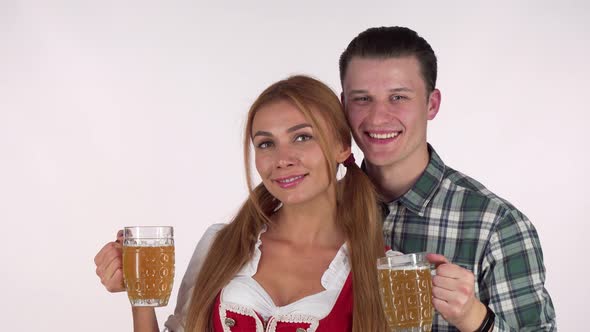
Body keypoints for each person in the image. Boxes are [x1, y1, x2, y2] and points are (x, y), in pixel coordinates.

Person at [94, 75, 388, 331]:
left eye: (302, 137)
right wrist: (140, 298)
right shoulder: (220, 245)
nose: (282, 159)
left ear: (341, 147)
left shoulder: (379, 267)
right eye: (266, 143)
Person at [338, 26, 556, 331]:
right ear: (343, 105)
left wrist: (474, 318)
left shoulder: (496, 225)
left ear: (432, 104)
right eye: (362, 99)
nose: (377, 117)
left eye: (398, 97)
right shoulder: (319, 210)